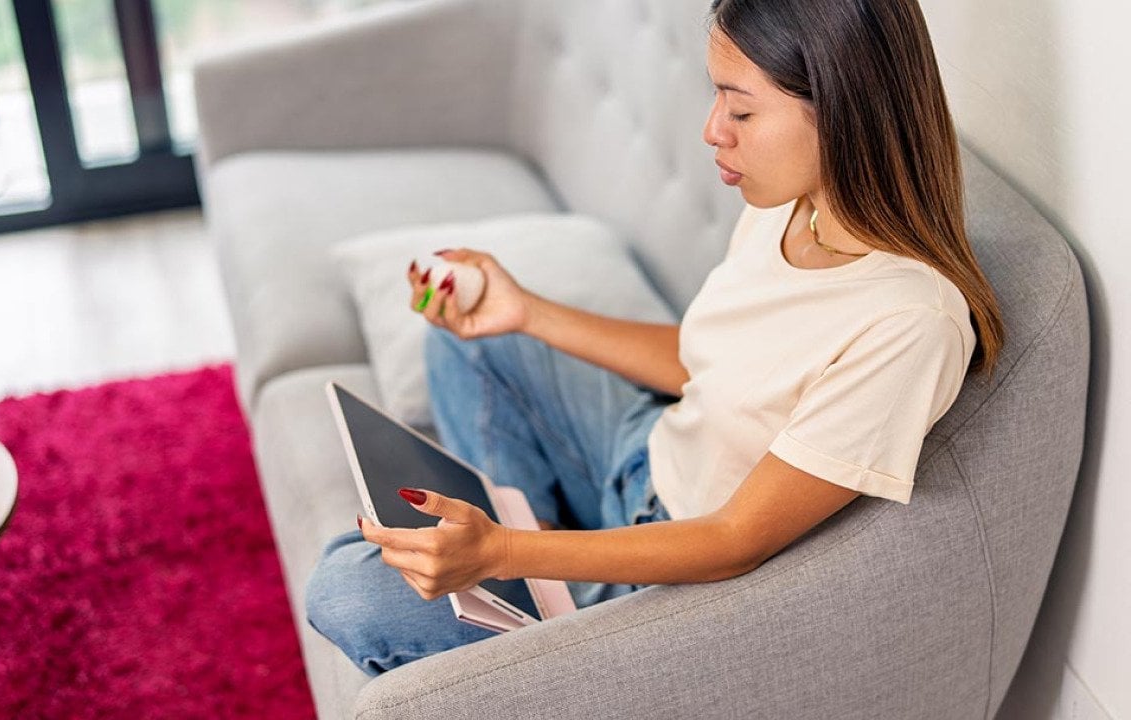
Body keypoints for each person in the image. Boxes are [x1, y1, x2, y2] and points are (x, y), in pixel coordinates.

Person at [305, 0, 1005, 676]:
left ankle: (539, 587)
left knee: (345, 589)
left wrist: (504, 552)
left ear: (845, 111)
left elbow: (734, 540)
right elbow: (708, 364)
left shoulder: (910, 324)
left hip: (674, 558)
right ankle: (539, 581)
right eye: (716, 97)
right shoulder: (795, 204)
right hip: (645, 453)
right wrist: (524, 312)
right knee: (468, 340)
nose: (712, 130)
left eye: (741, 110)